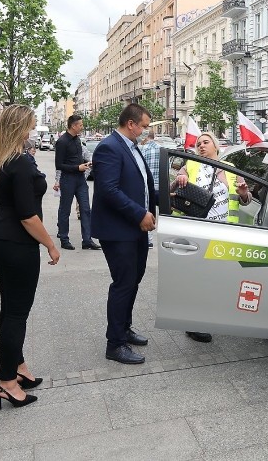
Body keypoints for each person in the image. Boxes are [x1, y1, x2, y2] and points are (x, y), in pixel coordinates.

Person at [0, 104, 60, 410]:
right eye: (29, 125)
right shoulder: (18, 163)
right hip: (17, 241)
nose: (32, 130)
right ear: (19, 128)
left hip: (1, 237)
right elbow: (28, 216)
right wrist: (51, 244)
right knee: (17, 313)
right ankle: (6, 383)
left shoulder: (3, 159)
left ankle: (19, 367)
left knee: (10, 309)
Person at [173, 131, 252, 343]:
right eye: (199, 143)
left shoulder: (231, 170)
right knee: (199, 279)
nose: (201, 146)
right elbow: (175, 190)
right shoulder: (190, 165)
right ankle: (194, 323)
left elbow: (245, 199)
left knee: (217, 278)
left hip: (224, 231)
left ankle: (212, 318)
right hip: (198, 230)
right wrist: (180, 178)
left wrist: (244, 192)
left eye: (206, 142)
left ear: (216, 147)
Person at [92, 104, 157, 364]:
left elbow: (140, 184)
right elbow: (108, 190)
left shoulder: (131, 147)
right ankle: (115, 344)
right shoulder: (109, 147)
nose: (145, 131)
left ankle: (124, 328)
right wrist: (139, 214)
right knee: (123, 283)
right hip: (119, 230)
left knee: (134, 279)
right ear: (131, 124)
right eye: (143, 126)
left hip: (136, 228)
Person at [54, 114, 100, 251]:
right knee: (65, 210)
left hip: (80, 180)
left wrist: (86, 164)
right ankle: (64, 238)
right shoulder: (62, 142)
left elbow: (78, 158)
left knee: (86, 209)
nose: (82, 127)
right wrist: (76, 167)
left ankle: (87, 240)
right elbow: (59, 165)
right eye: (80, 125)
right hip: (68, 180)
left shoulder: (77, 140)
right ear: (73, 126)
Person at [139, 130, 161, 249]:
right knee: (162, 213)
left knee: (147, 211)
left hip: (147, 186)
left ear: (146, 137)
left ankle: (148, 239)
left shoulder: (142, 149)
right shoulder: (162, 149)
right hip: (160, 187)